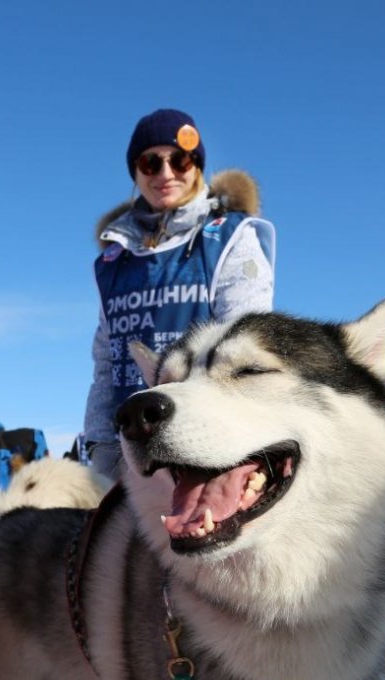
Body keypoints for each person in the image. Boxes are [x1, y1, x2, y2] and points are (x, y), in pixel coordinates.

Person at [83, 108, 275, 480]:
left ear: (197, 165)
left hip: (202, 442)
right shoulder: (115, 260)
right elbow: (106, 361)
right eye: (151, 162)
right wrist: (99, 442)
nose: (166, 173)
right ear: (136, 172)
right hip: (129, 444)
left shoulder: (229, 239)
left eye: (180, 159)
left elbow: (245, 346)